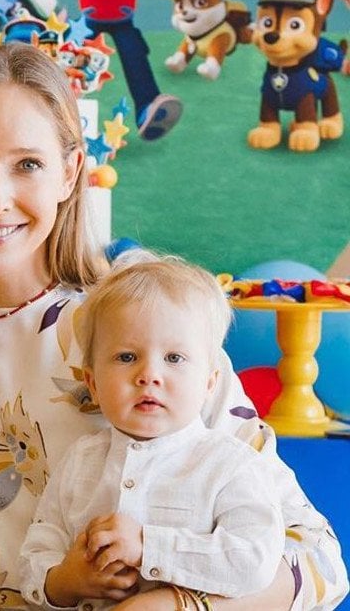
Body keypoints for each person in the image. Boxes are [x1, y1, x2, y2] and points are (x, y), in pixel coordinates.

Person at [0, 44, 347, 610]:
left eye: (27, 164)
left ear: (70, 174)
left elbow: (318, 560)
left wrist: (170, 606)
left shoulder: (149, 328)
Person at [19, 255, 284, 610]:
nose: (149, 375)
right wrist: (65, 580)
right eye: (127, 357)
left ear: (209, 384)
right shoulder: (80, 461)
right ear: (93, 384)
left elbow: (255, 559)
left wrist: (149, 547)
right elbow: (36, 552)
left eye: (174, 358)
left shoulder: (231, 464)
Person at [78, 0, 183, 140]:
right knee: (73, 58)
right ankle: (59, 109)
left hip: (120, 14)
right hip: (94, 13)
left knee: (134, 52)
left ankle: (147, 108)